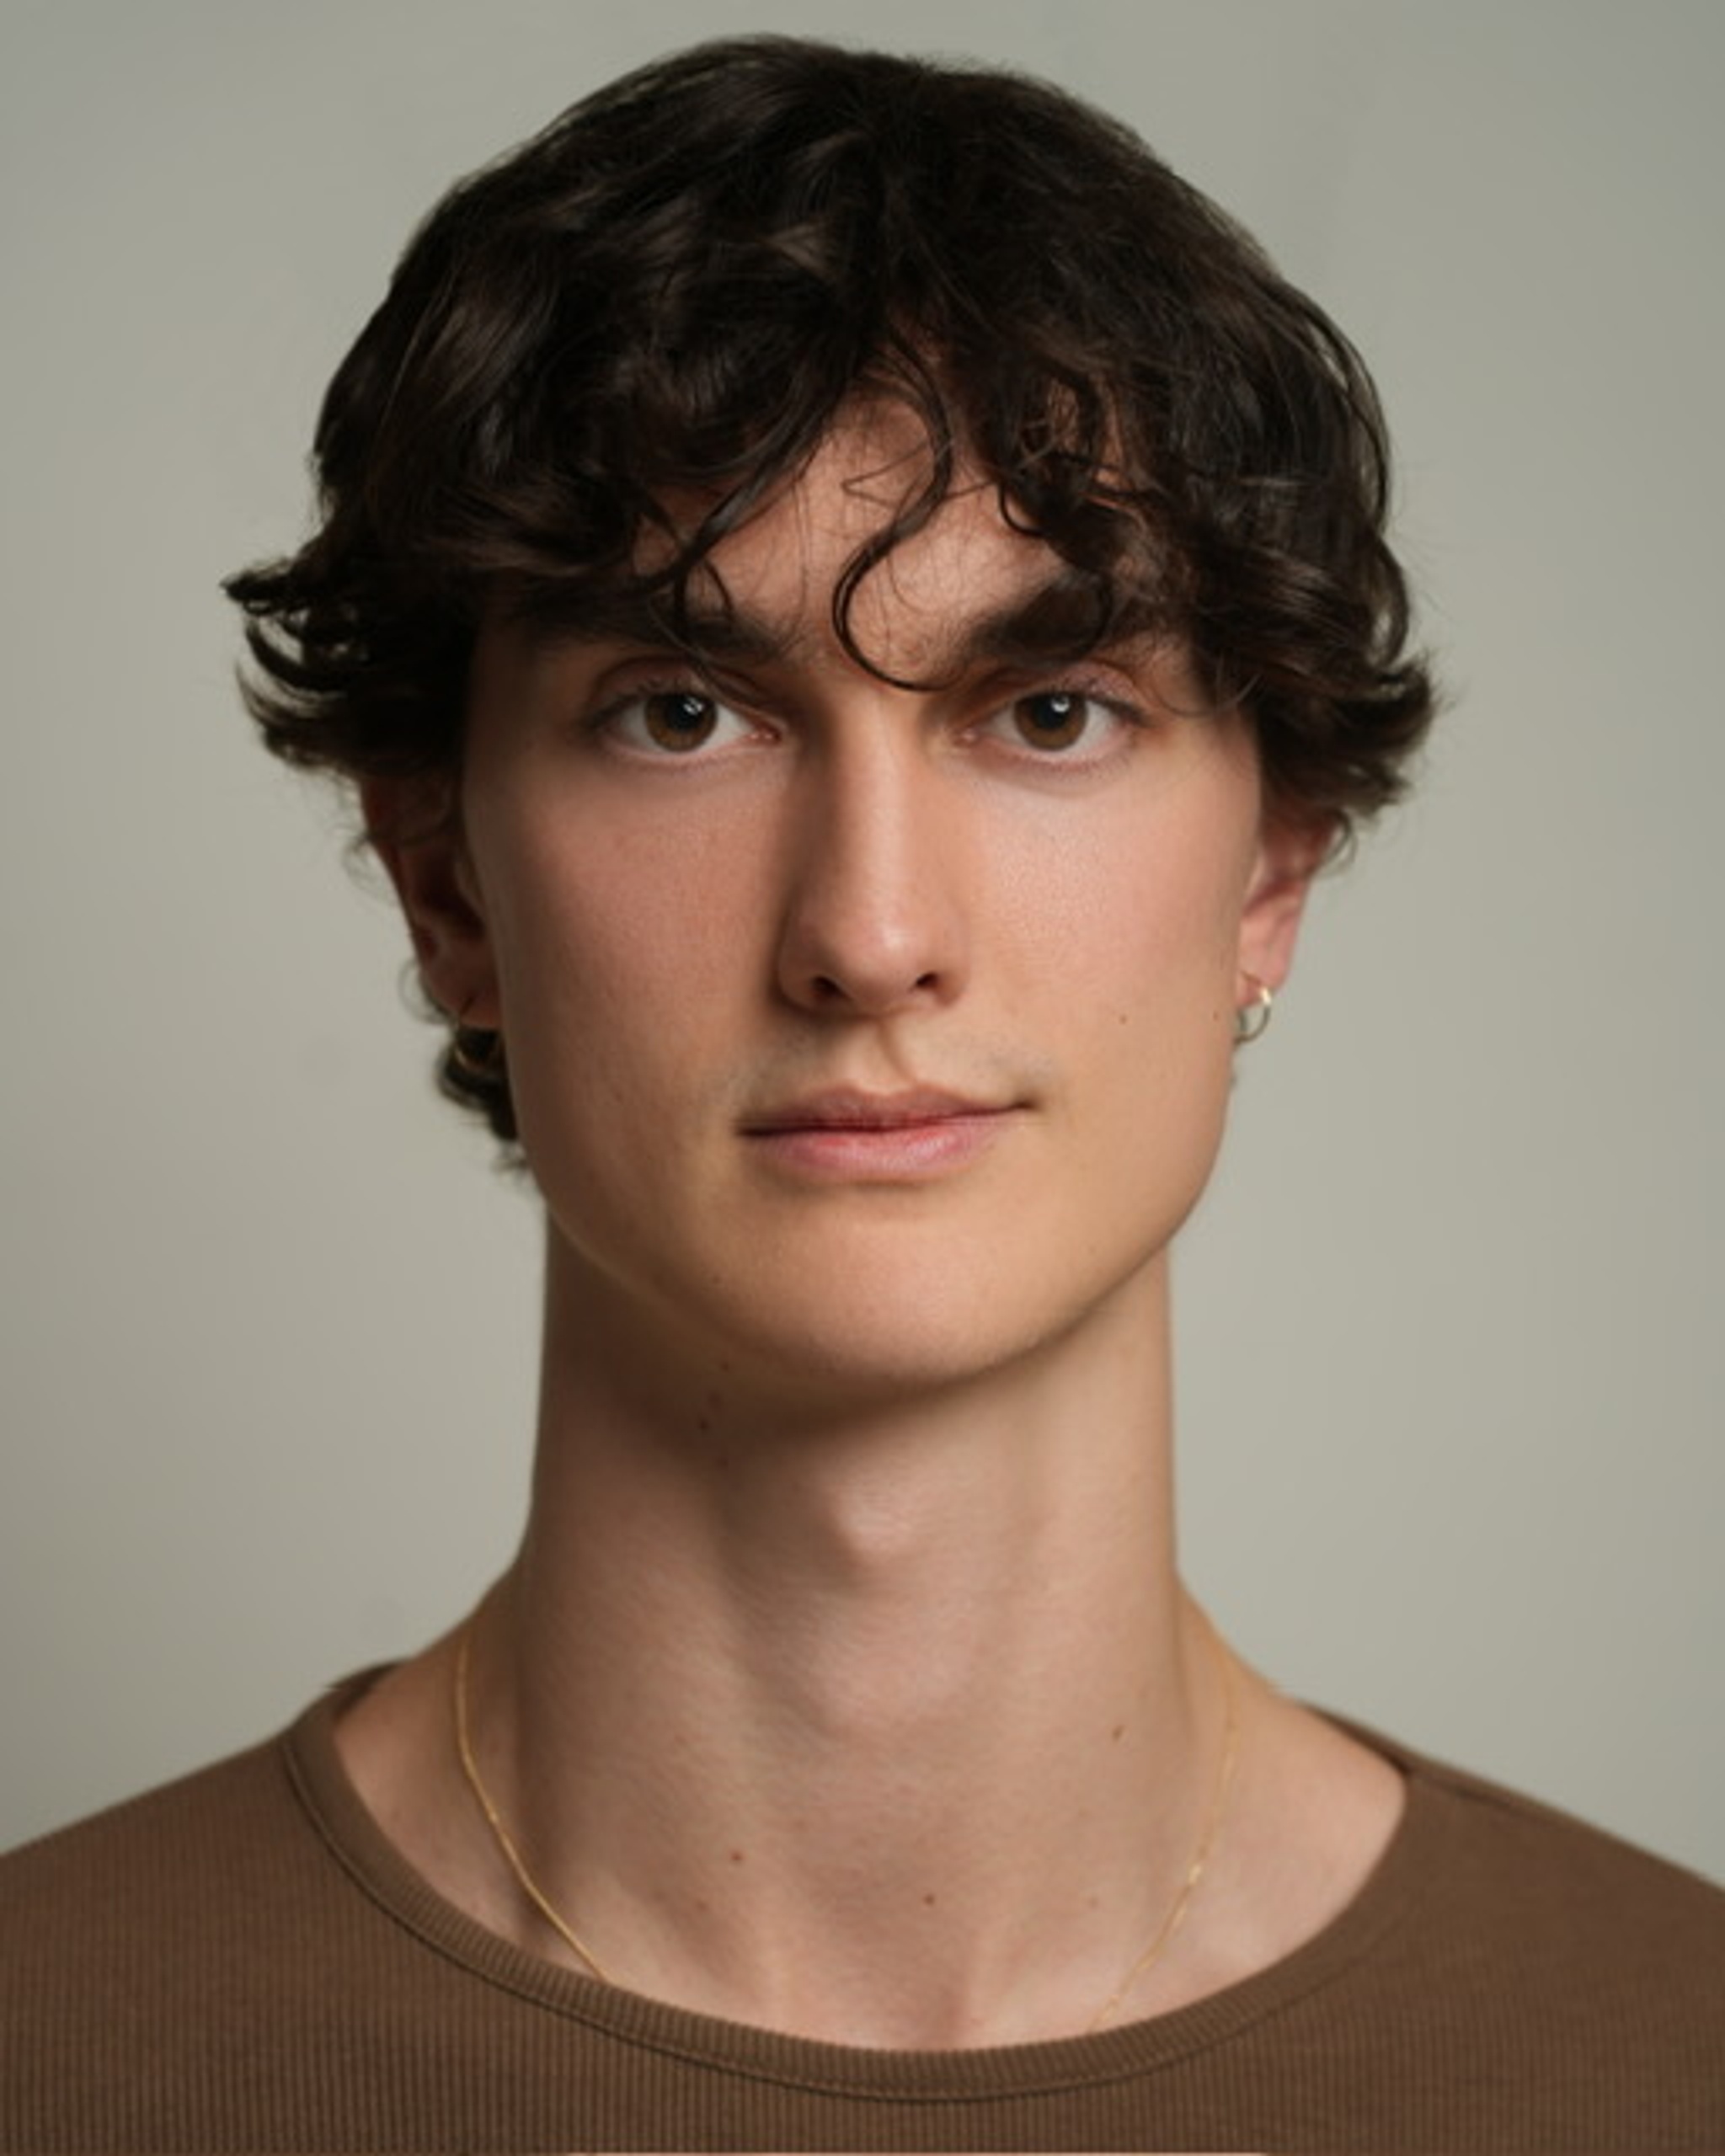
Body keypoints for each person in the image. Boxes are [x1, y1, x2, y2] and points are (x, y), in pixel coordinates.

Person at [2, 33, 1719, 2153]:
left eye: (1052, 707)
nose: (872, 930)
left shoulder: (1669, 2055)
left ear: (1272, 867)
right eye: (683, 710)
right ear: (448, 880)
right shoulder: (51, 2045)